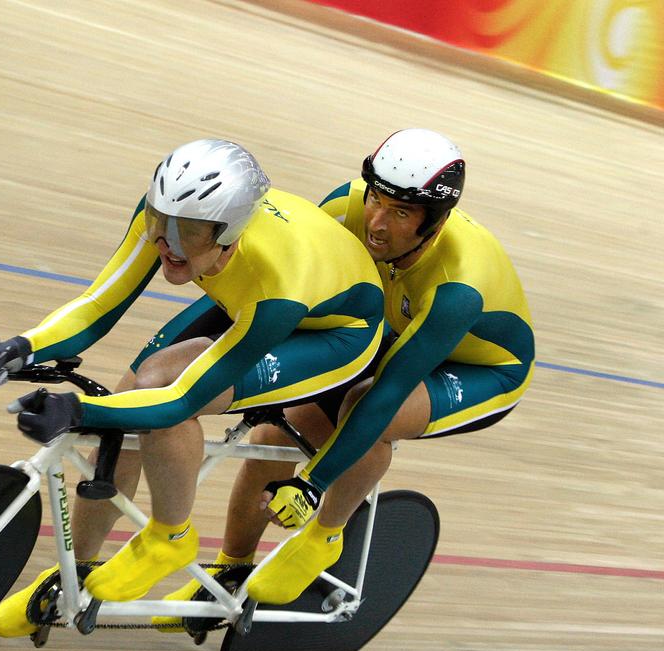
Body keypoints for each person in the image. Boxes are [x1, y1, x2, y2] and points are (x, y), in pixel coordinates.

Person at [0, 138, 385, 637]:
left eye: (185, 232)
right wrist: (24, 346)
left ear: (227, 235)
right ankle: (74, 575)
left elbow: (181, 400)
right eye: (159, 221)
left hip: (331, 332)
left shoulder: (278, 281)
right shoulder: (173, 220)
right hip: (246, 293)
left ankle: (171, 535)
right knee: (129, 396)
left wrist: (78, 412)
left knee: (162, 397)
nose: (166, 242)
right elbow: (98, 304)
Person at [181, 127, 536, 608]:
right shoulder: (343, 208)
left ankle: (325, 535)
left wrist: (312, 485)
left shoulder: (457, 287)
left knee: (367, 409)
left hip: (482, 370)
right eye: (377, 200)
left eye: (401, 213)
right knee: (274, 436)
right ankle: (230, 568)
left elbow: (389, 390)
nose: (377, 222)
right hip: (398, 333)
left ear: (433, 223)